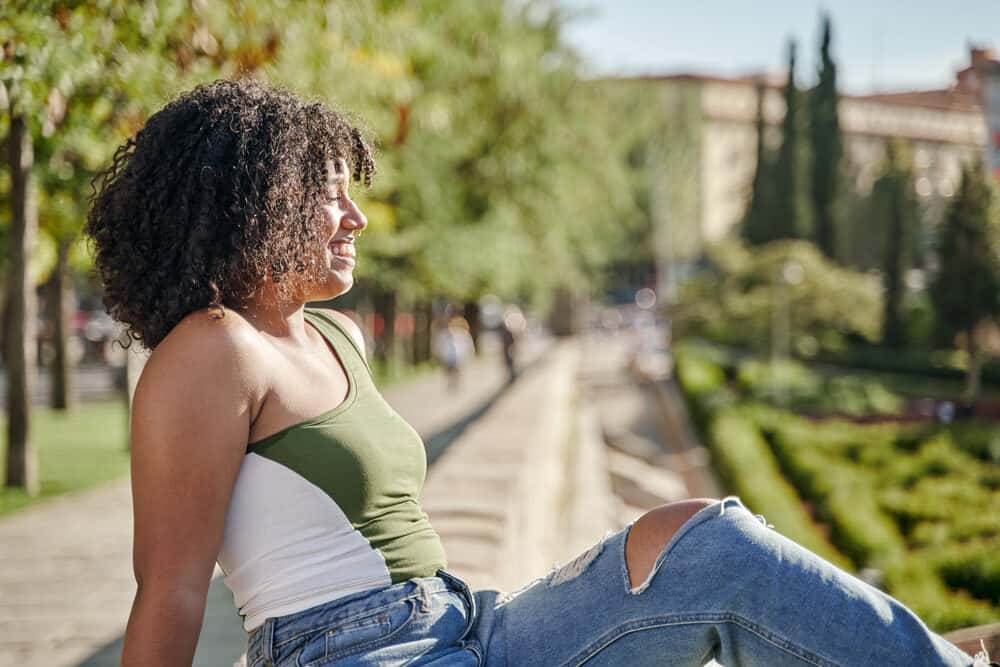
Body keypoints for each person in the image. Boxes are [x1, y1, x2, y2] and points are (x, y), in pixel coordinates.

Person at [86, 79, 989, 667]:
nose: (356, 216)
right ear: (259, 205)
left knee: (702, 541)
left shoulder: (336, 336)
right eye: (331, 194)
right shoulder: (209, 350)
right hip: (355, 654)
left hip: (465, 623)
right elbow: (170, 591)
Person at [433, 314, 474, 392]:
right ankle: (450, 383)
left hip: (458, 358)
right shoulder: (444, 334)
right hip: (447, 357)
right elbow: (439, 345)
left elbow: (467, 345)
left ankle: (455, 384)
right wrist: (438, 355)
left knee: (456, 372)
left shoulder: (462, 333)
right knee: (448, 372)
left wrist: (469, 354)